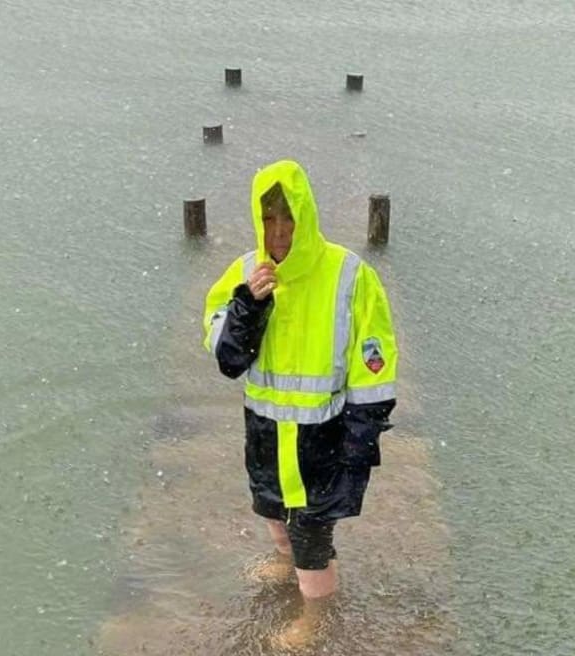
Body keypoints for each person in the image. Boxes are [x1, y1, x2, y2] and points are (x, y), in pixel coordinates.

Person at [202, 160, 397, 649]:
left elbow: (375, 364)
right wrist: (249, 304)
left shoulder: (350, 274)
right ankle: (284, 561)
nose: (280, 232)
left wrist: (359, 443)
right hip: (265, 432)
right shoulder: (245, 274)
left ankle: (316, 616)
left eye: (289, 219)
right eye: (269, 220)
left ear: (306, 218)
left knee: (313, 538)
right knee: (270, 509)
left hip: (323, 439)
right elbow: (229, 361)